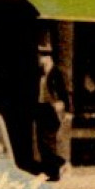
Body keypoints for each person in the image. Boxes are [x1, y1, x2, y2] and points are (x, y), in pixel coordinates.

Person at [33, 40, 69, 179]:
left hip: (50, 109)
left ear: (48, 58)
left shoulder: (56, 73)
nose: (39, 59)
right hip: (41, 108)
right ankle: (53, 168)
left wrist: (66, 109)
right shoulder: (41, 73)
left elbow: (63, 92)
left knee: (49, 141)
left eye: (42, 56)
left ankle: (55, 170)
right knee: (42, 142)